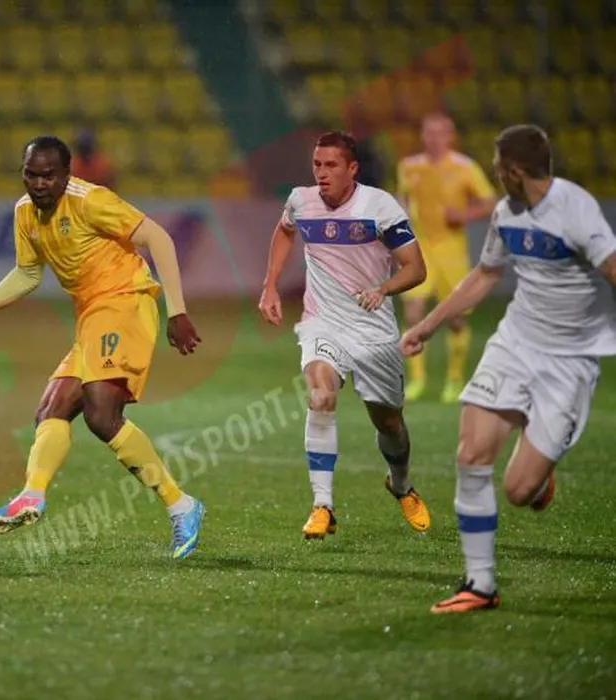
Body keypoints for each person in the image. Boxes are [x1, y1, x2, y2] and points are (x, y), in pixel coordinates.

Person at [0, 136, 206, 560]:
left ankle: (181, 506)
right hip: (92, 315)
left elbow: (159, 238)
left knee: (101, 413)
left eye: (49, 175)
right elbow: (27, 274)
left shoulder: (91, 201)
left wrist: (177, 311)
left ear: (67, 174)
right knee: (51, 409)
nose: (39, 184)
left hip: (125, 302)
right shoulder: (24, 213)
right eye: (31, 174)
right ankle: (31, 495)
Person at [401, 124, 616, 614]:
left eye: (499, 167)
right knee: (471, 455)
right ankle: (480, 585)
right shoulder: (506, 212)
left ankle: (538, 471)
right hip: (514, 344)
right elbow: (486, 273)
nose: (494, 174)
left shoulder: (576, 210)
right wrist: (428, 326)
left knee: (519, 490)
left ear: (516, 171)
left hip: (569, 361)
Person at [259, 131, 431, 540]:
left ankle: (401, 484)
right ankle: (323, 506)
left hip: (373, 329)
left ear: (352, 168)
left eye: (331, 165)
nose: (321, 173)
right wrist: (270, 285)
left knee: (389, 423)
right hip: (323, 321)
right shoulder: (301, 201)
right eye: (317, 164)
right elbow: (285, 230)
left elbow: (416, 268)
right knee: (320, 395)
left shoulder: (379, 206)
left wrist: (383, 289)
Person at [396, 113, 497, 403]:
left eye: (440, 133)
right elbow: (402, 199)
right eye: (429, 132)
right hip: (420, 249)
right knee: (413, 312)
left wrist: (465, 214)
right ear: (422, 135)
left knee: (455, 318)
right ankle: (417, 380)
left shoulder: (465, 167)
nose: (434, 139)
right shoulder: (408, 166)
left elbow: (490, 203)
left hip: (452, 252)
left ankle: (454, 378)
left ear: (450, 136)